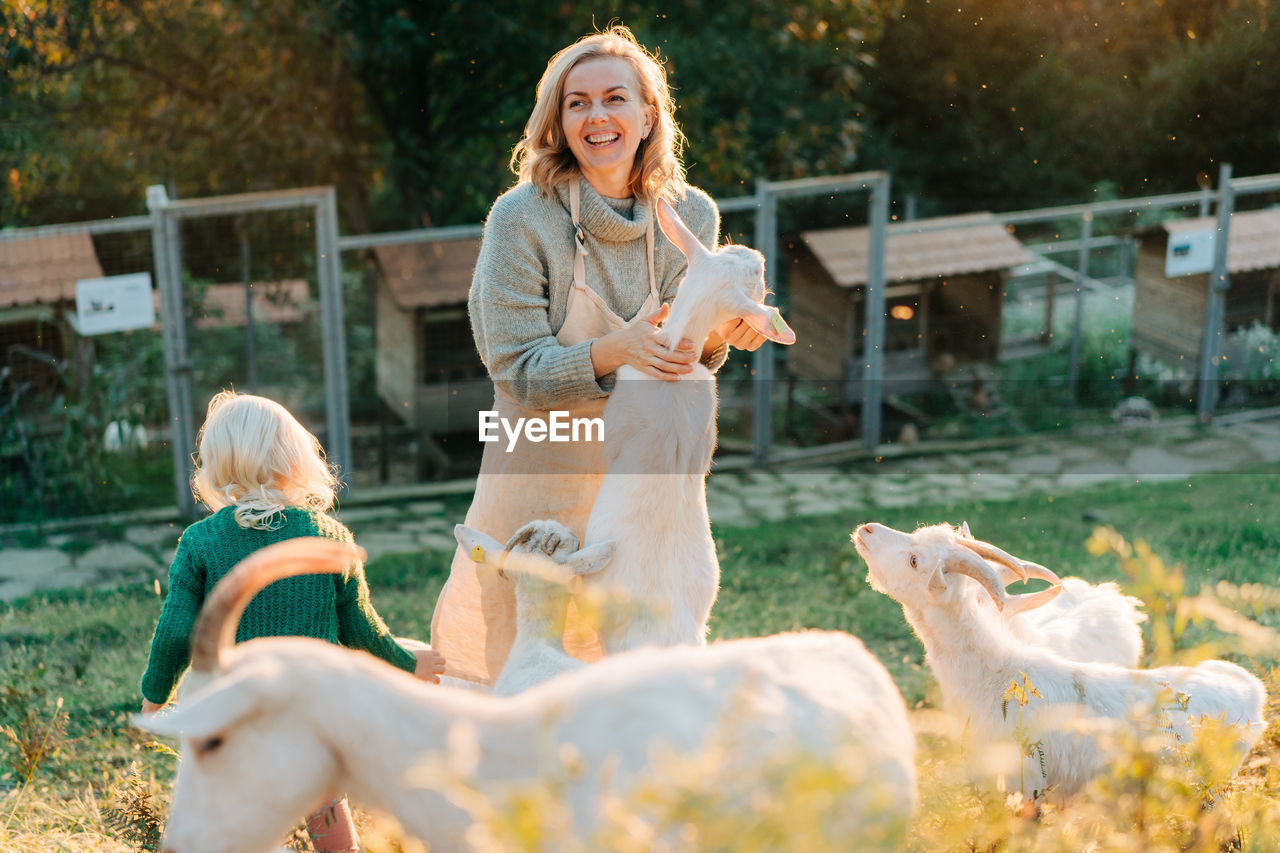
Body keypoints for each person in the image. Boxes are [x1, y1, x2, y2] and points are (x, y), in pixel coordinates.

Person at [431, 25, 768, 686]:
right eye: (577, 102)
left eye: (615, 98)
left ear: (648, 115)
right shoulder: (522, 218)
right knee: (517, 671)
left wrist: (725, 334)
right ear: (556, 121)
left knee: (623, 669)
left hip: (636, 488)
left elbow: (685, 356)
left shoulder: (692, 215)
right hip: (537, 461)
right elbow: (516, 370)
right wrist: (618, 347)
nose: (597, 116)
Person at [139, 390, 445, 853]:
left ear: (216, 463)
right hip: (311, 710)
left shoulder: (199, 541)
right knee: (324, 801)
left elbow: (177, 630)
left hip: (239, 711)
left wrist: (154, 696)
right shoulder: (329, 535)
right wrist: (410, 663)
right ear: (295, 456)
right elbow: (362, 631)